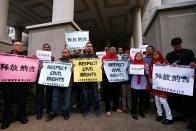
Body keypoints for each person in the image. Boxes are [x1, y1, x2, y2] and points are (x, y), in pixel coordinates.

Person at [166, 37, 195, 122]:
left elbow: (193, 62)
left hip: (188, 81)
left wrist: (193, 63)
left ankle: (190, 116)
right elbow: (166, 66)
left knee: (188, 99)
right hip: (176, 82)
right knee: (177, 98)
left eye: (178, 44)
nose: (176, 46)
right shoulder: (169, 55)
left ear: (181, 44)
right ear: (172, 46)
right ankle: (181, 114)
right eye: (175, 45)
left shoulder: (189, 52)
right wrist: (171, 64)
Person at [1, 40, 28, 129]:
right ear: (13, 47)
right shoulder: (5, 56)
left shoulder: (25, 58)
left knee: (22, 100)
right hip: (8, 83)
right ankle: (6, 120)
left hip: (21, 83)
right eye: (18, 45)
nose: (21, 47)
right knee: (8, 101)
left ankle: (22, 117)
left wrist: (36, 62)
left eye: (22, 45)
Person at [46, 48, 73, 121]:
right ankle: (53, 113)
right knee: (55, 99)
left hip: (68, 84)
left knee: (66, 99)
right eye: (62, 52)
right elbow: (50, 70)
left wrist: (73, 69)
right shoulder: (57, 61)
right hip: (57, 84)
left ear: (69, 54)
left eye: (65, 52)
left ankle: (65, 113)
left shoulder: (73, 62)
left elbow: (76, 73)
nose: (64, 53)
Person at [149, 50, 173, 124]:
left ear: (159, 54)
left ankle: (169, 117)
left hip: (163, 85)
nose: (155, 55)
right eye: (153, 54)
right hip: (155, 84)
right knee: (156, 99)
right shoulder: (151, 63)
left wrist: (162, 65)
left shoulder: (165, 62)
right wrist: (150, 79)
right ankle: (160, 114)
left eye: (156, 53)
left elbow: (170, 71)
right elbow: (150, 73)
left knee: (163, 100)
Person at [79, 42, 101, 117]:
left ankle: (97, 110)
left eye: (90, 46)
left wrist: (101, 66)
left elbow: (98, 67)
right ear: (85, 48)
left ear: (92, 48)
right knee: (85, 96)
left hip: (93, 80)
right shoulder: (81, 56)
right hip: (84, 81)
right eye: (87, 46)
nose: (89, 47)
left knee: (95, 95)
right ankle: (86, 110)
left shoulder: (95, 56)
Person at [35, 43, 54, 120]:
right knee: (39, 95)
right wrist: (34, 59)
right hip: (40, 76)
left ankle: (49, 110)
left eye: (48, 47)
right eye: (45, 47)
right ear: (42, 49)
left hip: (49, 77)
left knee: (49, 94)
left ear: (50, 49)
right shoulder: (37, 57)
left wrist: (53, 61)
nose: (47, 48)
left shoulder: (52, 57)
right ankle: (39, 112)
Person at [102, 47, 123, 117]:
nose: (113, 50)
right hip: (107, 79)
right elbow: (102, 67)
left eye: (114, 49)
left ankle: (115, 107)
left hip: (116, 79)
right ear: (108, 51)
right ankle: (108, 109)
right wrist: (102, 66)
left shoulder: (117, 57)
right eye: (112, 49)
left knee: (116, 94)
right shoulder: (104, 57)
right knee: (107, 94)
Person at [130, 52, 147, 120]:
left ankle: (141, 111)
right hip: (135, 84)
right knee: (134, 99)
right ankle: (134, 112)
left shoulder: (145, 64)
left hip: (143, 84)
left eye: (140, 56)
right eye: (137, 56)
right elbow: (129, 73)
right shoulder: (133, 65)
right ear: (135, 57)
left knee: (142, 99)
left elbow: (148, 72)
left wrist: (145, 71)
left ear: (142, 57)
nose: (139, 57)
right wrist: (128, 68)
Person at [143, 45, 154, 109]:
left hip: (154, 78)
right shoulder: (143, 59)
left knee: (155, 92)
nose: (149, 50)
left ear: (152, 50)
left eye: (150, 49)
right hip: (145, 77)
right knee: (146, 93)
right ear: (146, 51)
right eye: (148, 49)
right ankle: (147, 106)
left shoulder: (155, 58)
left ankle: (157, 107)